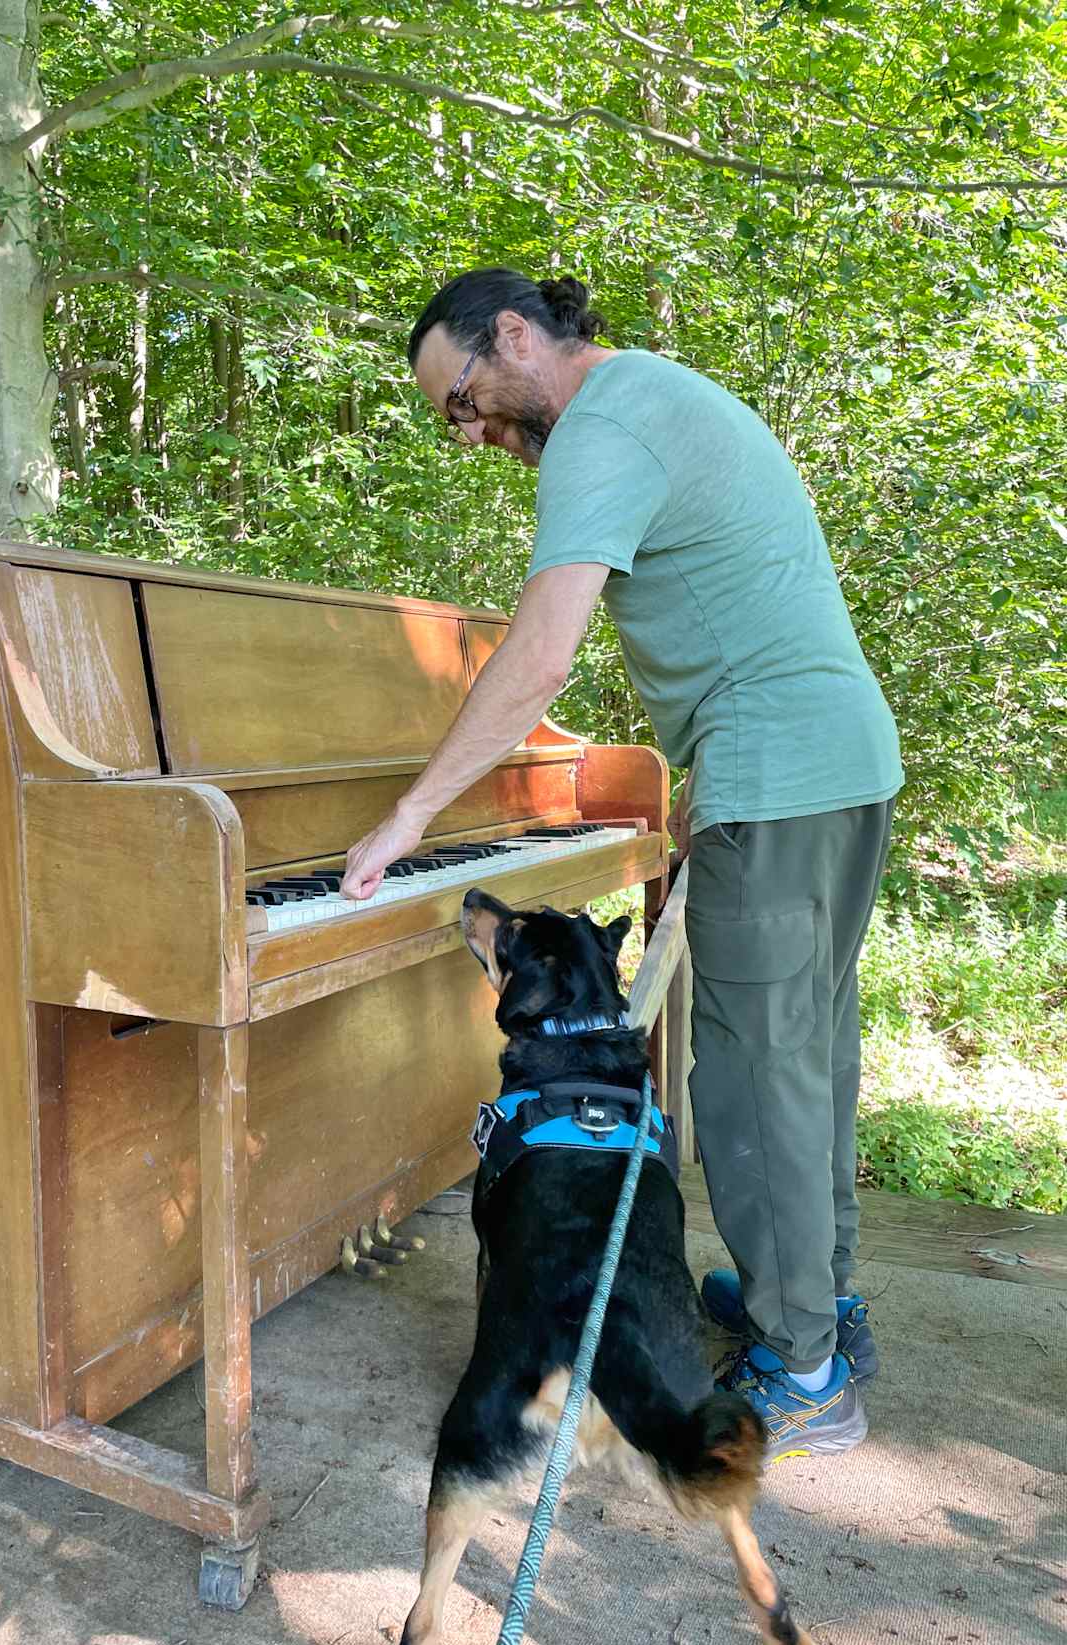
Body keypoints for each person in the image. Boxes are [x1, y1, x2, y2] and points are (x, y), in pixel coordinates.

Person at [340, 267, 902, 1462]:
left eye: (466, 399)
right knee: (804, 1058)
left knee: (751, 1081)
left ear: (511, 334)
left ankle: (800, 1369)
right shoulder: (655, 397)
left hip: (782, 776)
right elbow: (742, 607)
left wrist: (406, 819)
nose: (475, 431)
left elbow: (538, 659)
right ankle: (805, 1308)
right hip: (815, 765)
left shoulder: (600, 428)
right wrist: (707, 775)